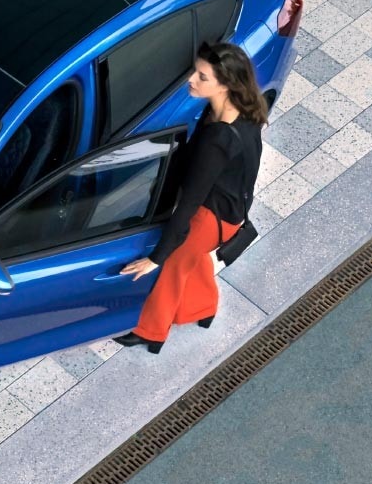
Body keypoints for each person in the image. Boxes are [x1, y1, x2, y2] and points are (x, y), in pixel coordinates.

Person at [113, 41, 267, 354]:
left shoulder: (218, 139)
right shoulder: (246, 116)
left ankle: (151, 331)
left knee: (173, 267)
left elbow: (188, 206)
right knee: (192, 261)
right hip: (232, 213)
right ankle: (202, 308)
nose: (191, 80)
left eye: (202, 77)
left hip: (209, 220)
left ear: (225, 85)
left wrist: (156, 258)